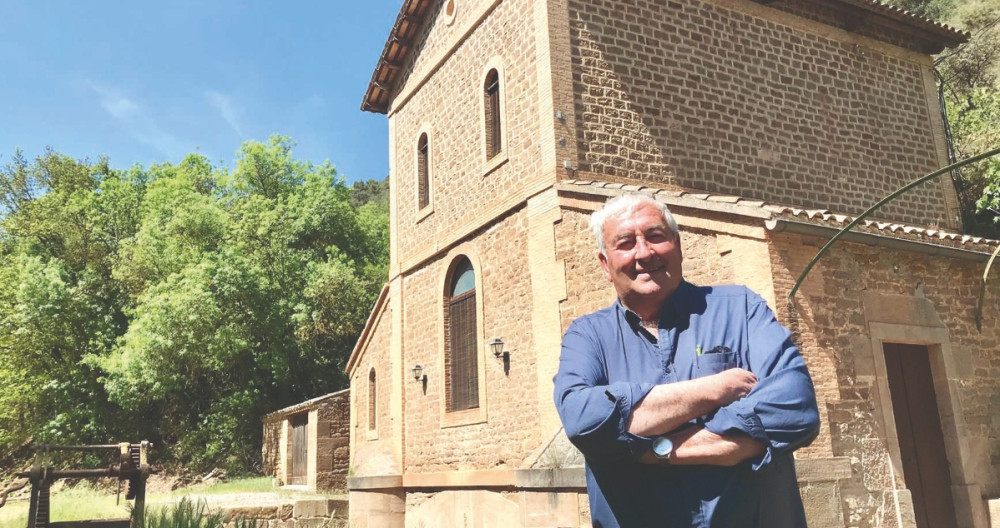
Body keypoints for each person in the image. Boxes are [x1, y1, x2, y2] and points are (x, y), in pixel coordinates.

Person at [553, 192, 819, 527]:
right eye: (625, 243)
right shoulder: (587, 336)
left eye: (655, 237)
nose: (645, 252)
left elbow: (796, 407)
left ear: (678, 247)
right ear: (605, 264)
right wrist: (715, 389)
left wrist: (654, 449)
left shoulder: (741, 309)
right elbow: (584, 422)